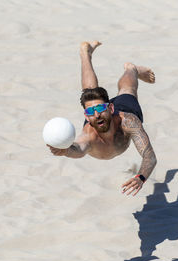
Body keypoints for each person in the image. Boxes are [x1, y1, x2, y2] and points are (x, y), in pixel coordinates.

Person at [47, 41, 157, 196]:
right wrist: (64, 151)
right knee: (89, 92)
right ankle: (85, 53)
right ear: (86, 116)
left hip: (123, 111)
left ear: (110, 107)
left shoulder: (128, 121)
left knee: (128, 89)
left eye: (100, 109)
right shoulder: (89, 134)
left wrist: (141, 177)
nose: (97, 114)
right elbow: (78, 148)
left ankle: (131, 69)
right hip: (100, 121)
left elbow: (149, 156)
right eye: (91, 112)